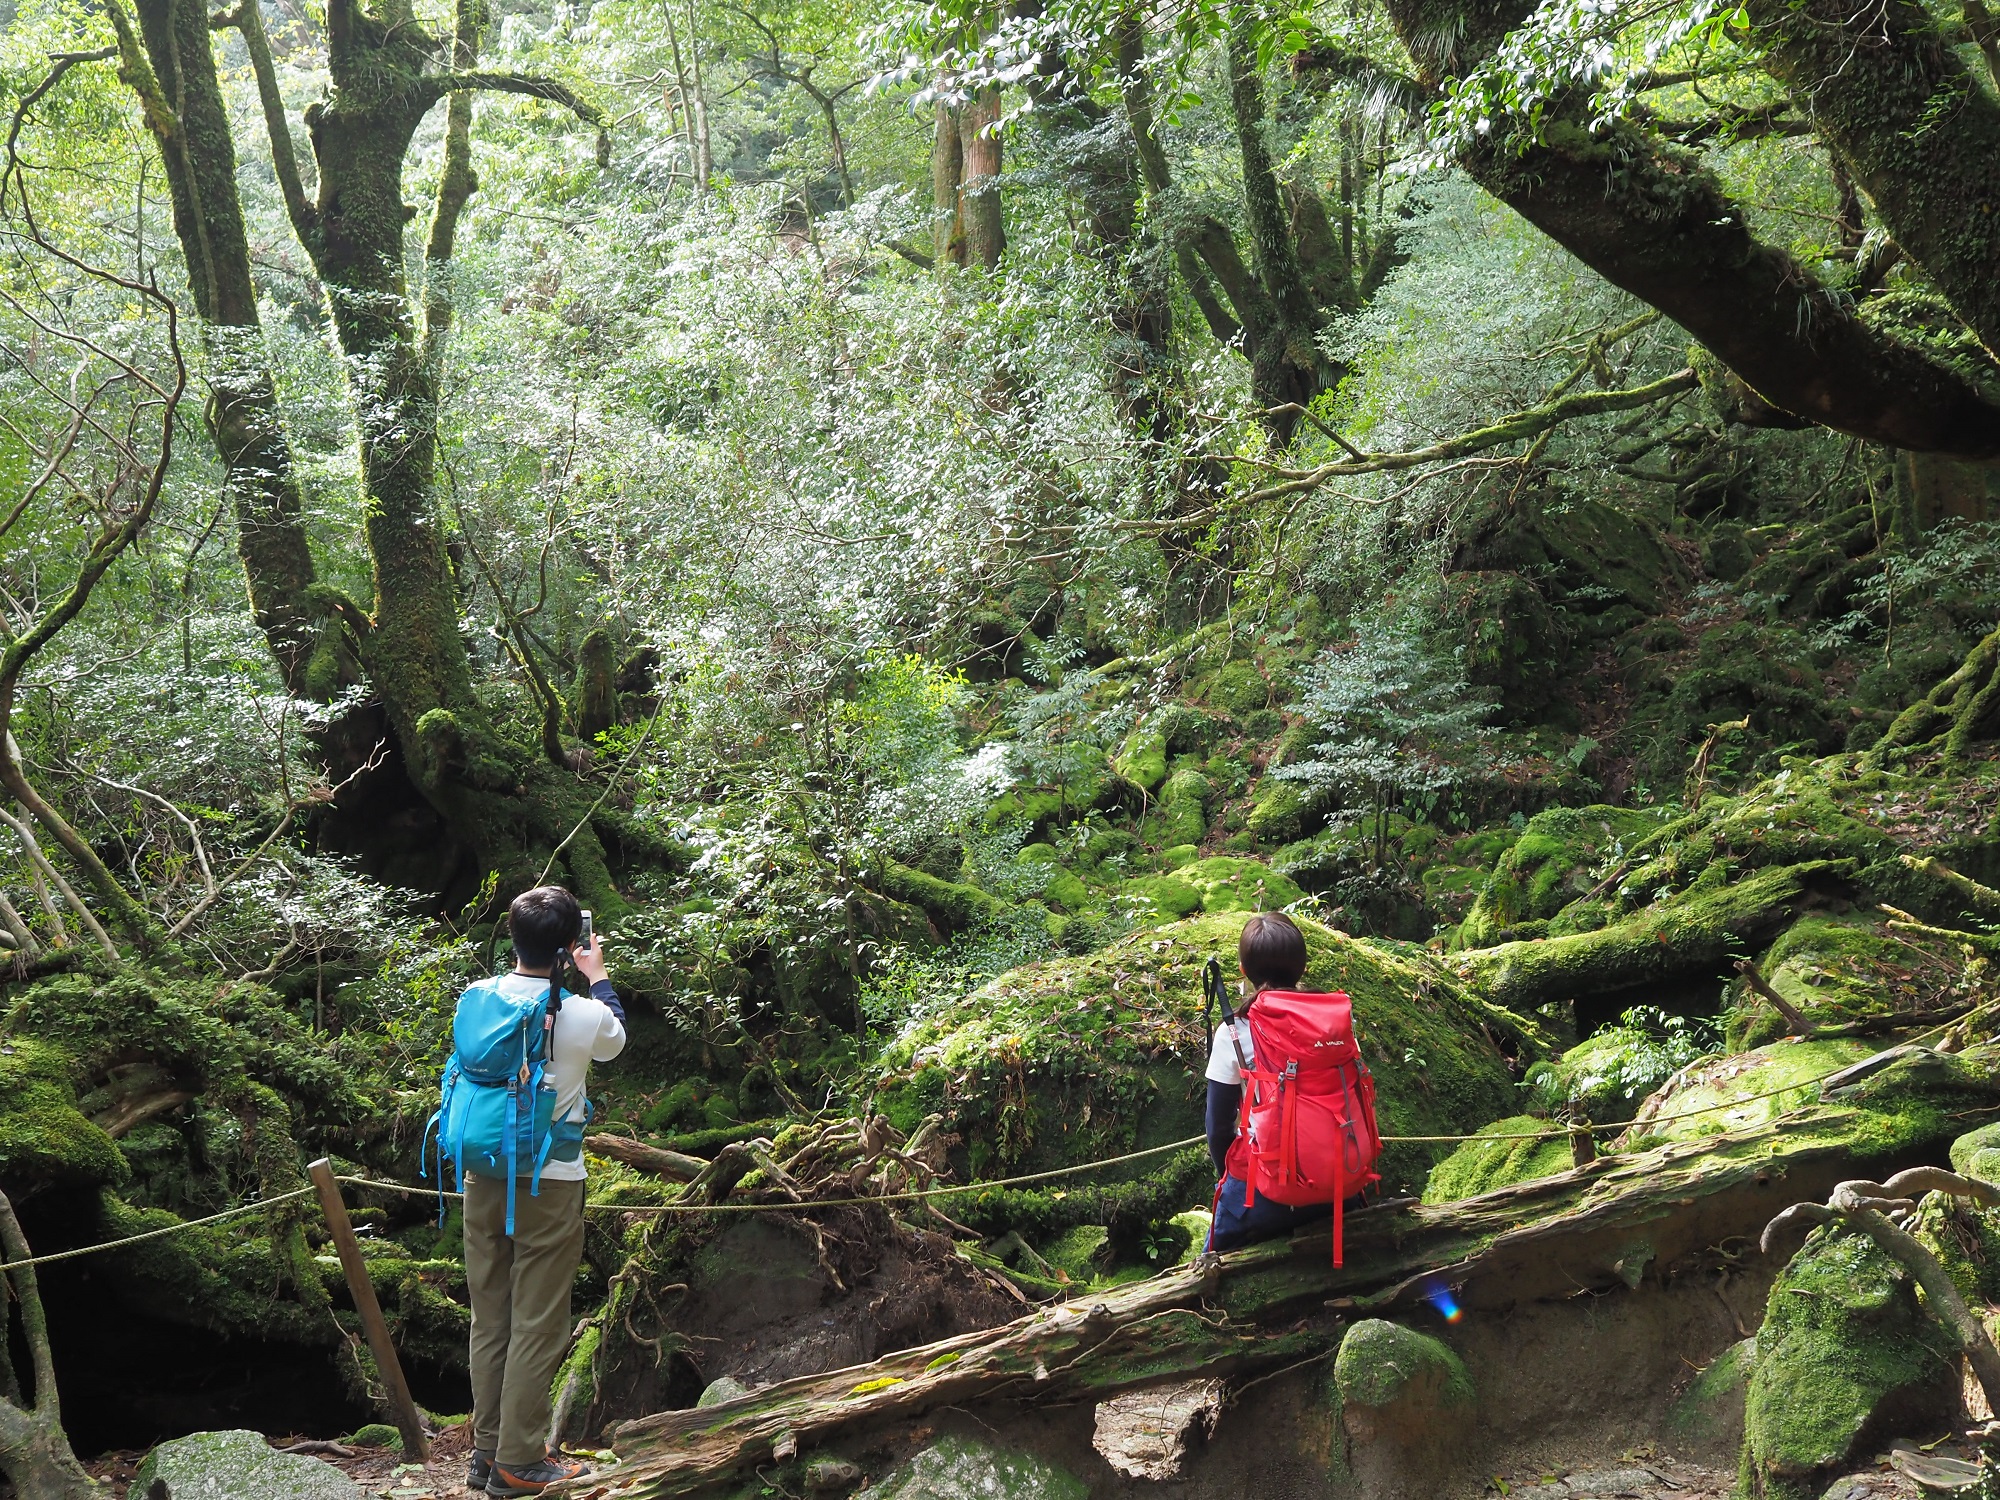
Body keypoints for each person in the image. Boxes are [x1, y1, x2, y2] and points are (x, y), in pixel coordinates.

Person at [464, 886, 627, 1497]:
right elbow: (617, 1042)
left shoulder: (477, 997)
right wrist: (598, 975)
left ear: (513, 936)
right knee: (538, 1322)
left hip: (482, 1175)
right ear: (567, 947)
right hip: (550, 1181)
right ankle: (520, 1460)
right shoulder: (582, 1011)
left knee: (490, 1316)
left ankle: (487, 1453)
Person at [1204, 911, 1334, 1252]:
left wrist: (1226, 1176)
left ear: (1244, 971)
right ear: (1302, 967)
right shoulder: (1332, 1021)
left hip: (1265, 1197)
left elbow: (1218, 1128)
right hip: (1339, 1183)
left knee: (1208, 1257)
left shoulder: (1234, 1031)